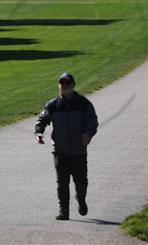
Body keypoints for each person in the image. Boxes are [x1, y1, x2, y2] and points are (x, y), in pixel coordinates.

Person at [35, 72, 98, 221]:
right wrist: (38, 133)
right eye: (62, 84)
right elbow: (42, 119)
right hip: (60, 151)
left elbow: (92, 121)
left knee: (81, 182)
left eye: (67, 84)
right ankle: (64, 211)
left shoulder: (84, 104)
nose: (64, 86)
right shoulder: (53, 105)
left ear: (73, 85)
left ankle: (81, 200)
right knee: (62, 183)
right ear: (59, 86)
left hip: (79, 151)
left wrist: (88, 134)